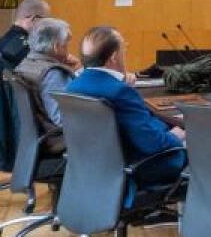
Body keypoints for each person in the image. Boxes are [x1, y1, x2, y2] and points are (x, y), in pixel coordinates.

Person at [67, 26, 186, 186]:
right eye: (124, 49)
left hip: (97, 166)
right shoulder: (120, 92)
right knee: (203, 147)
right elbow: (153, 144)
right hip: (142, 165)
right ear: (114, 56)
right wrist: (177, 134)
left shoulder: (73, 86)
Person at [13, 18, 80, 149]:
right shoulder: (53, 74)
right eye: (66, 44)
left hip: (32, 140)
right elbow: (61, 119)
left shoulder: (24, 65)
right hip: (56, 141)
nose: (68, 49)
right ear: (56, 46)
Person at [0, 0, 51, 68]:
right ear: (34, 19)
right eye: (45, 21)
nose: (46, 26)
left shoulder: (4, 40)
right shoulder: (28, 47)